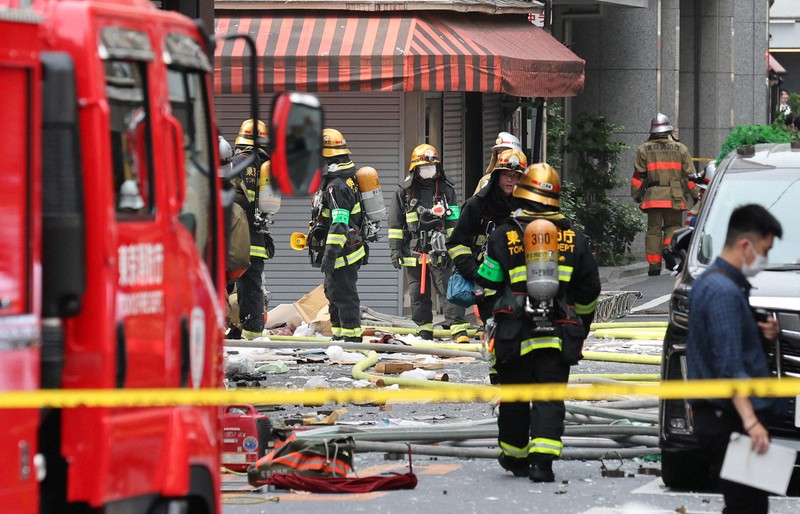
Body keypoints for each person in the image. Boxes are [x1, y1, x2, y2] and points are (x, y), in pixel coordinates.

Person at [475, 163, 600, 482]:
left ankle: (515, 457)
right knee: (549, 395)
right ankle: (541, 463)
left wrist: (492, 321)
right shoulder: (574, 237)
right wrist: (581, 325)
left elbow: (486, 284)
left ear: (522, 193)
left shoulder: (504, 234)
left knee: (515, 394)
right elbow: (589, 290)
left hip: (513, 330)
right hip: (558, 330)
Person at [686, 204, 786, 514]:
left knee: (750, 505)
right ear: (745, 245)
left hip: (727, 417)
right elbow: (728, 364)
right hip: (728, 419)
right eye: (764, 250)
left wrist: (763, 335)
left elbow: (732, 346)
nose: (765, 260)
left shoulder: (721, 284)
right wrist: (752, 422)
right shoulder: (722, 291)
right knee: (747, 506)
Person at [447, 148, 526, 375]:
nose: (511, 179)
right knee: (496, 326)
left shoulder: (526, 207)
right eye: (507, 174)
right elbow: (457, 243)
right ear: (497, 175)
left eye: (516, 175)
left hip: (520, 279)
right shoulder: (477, 205)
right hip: (488, 280)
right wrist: (473, 274)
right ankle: (498, 375)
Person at [388, 144, 469, 342]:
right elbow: (395, 225)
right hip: (415, 250)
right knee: (418, 292)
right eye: (424, 166)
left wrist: (453, 249)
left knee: (448, 288)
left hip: (440, 249)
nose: (428, 169)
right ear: (415, 168)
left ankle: (458, 329)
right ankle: (424, 330)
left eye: (432, 166)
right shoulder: (404, 192)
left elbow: (454, 221)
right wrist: (396, 251)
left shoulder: (446, 190)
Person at [310, 128, 367, 342]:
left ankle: (351, 337)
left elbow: (340, 224)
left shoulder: (336, 186)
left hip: (342, 252)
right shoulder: (347, 180)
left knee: (343, 294)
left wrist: (330, 255)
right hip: (346, 250)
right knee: (334, 293)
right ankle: (340, 335)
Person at [630, 113, 697, 276]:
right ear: (669, 129)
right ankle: (667, 250)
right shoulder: (680, 148)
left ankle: (654, 266)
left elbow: (639, 176)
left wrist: (636, 194)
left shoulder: (643, 149)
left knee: (653, 230)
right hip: (674, 195)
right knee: (672, 227)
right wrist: (696, 196)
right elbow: (690, 175)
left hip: (653, 196)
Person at [230, 119, 274, 339]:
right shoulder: (267, 165)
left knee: (226, 282)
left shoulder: (238, 161)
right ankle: (251, 332)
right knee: (253, 285)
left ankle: (230, 329)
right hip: (258, 236)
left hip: (235, 236)